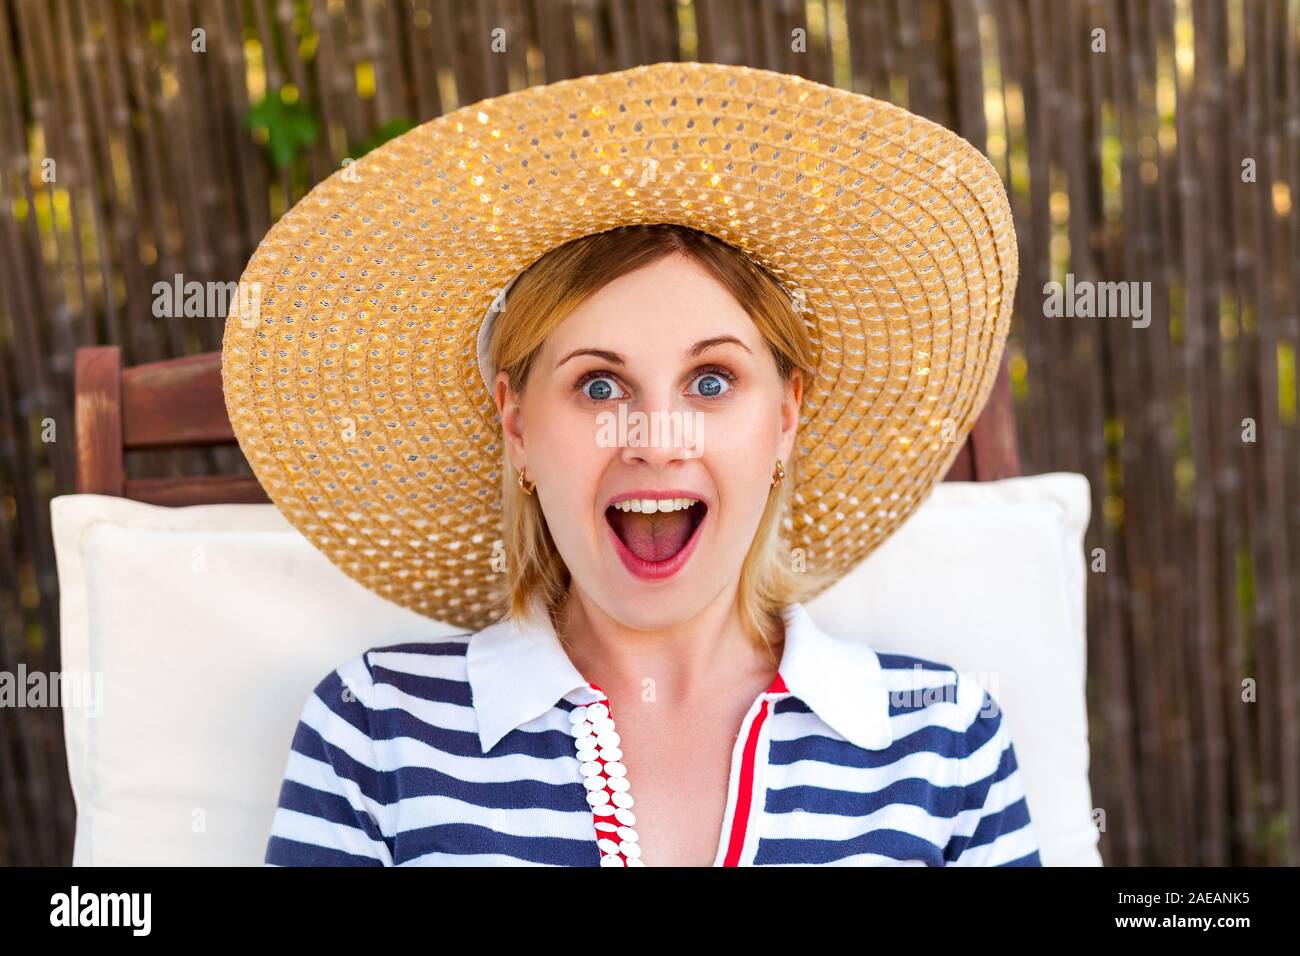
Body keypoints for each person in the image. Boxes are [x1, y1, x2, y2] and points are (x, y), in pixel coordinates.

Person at [223, 62, 1040, 866]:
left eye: (711, 381)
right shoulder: (375, 730)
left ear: (785, 417)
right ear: (516, 423)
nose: (655, 437)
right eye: (600, 384)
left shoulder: (945, 740)